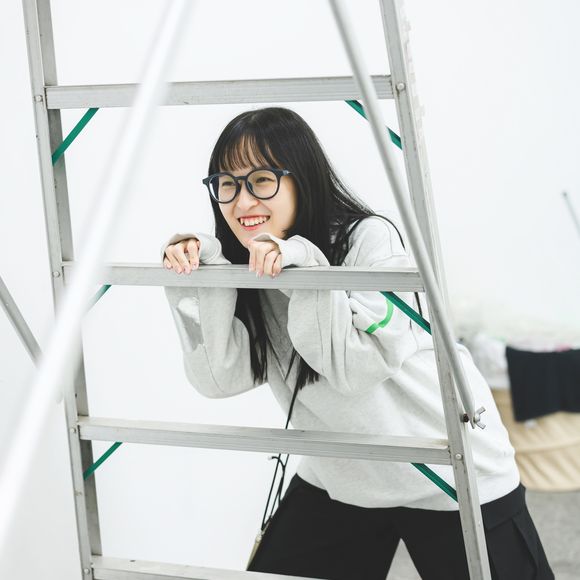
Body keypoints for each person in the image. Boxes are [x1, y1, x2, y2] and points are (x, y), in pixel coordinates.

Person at [161, 107, 553, 580]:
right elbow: (219, 378)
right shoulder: (247, 262)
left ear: (302, 178)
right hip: (343, 472)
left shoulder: (369, 239)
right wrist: (208, 273)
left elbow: (354, 367)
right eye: (227, 183)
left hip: (446, 471)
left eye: (261, 180)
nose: (242, 201)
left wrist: (302, 264)